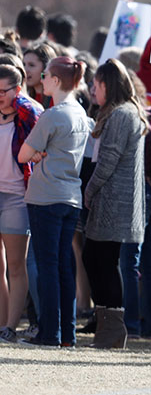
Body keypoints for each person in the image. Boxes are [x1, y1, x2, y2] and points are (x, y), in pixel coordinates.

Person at [17, 56, 90, 347]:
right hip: (71, 196)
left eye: (46, 74)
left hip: (46, 196)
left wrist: (36, 153)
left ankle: (49, 333)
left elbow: (23, 154)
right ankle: (66, 333)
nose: (42, 78)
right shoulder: (80, 113)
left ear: (56, 80)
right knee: (63, 266)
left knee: (48, 266)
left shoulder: (53, 114)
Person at [82, 58, 148, 349]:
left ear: (108, 84)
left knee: (104, 261)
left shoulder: (122, 114)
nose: (93, 89)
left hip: (114, 200)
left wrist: (89, 190)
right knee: (96, 259)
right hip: (110, 200)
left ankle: (112, 329)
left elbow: (107, 160)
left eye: (96, 84)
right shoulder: (119, 112)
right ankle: (105, 324)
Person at [0, 65, 42, 343]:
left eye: (3, 91)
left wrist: (18, 100)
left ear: (17, 90)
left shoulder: (28, 115)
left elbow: (36, 115)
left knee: (16, 264)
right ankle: (2, 323)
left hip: (17, 195)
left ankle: (11, 326)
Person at [23, 43, 57, 108]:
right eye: (24, 64)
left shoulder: (56, 99)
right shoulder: (25, 96)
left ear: (46, 68)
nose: (25, 70)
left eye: (31, 65)